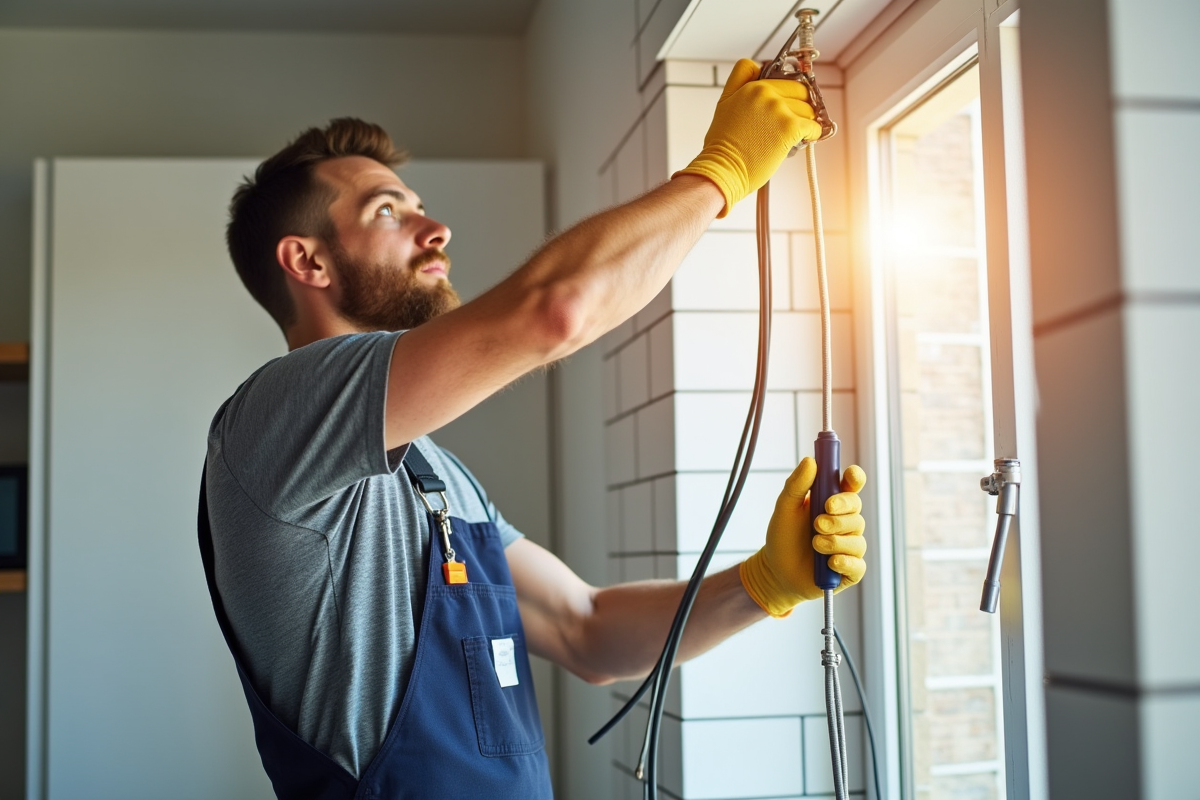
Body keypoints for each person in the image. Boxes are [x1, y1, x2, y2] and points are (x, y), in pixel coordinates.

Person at [200, 59, 868, 799]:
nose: (436, 228)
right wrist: (722, 171)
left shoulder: (435, 475)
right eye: (389, 211)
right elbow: (556, 313)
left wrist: (763, 583)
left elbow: (588, 630)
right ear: (308, 260)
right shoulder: (273, 418)